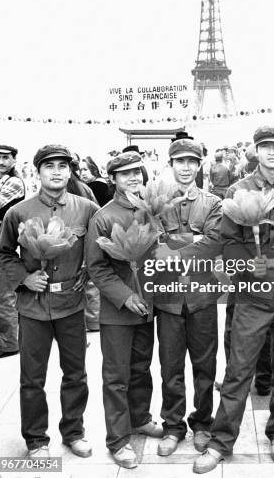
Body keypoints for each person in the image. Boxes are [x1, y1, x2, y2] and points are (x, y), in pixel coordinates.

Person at [193, 126, 274, 473]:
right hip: (251, 293)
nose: (272, 153)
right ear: (256, 150)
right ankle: (221, 442)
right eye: (265, 147)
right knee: (239, 369)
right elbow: (226, 240)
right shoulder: (238, 190)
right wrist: (246, 260)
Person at [0, 145, 98, 458]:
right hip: (32, 308)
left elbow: (98, 249)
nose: (56, 172)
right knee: (32, 378)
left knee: (76, 374)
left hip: (71, 305)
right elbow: (3, 253)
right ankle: (36, 439)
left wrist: (87, 274)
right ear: (37, 172)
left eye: (62, 166)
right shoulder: (19, 212)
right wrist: (23, 278)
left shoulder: (86, 208)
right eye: (49, 166)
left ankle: (73, 432)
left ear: (70, 171)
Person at [86, 151, 163, 469]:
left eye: (137, 173)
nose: (134, 178)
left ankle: (140, 418)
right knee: (116, 376)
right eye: (125, 174)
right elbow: (96, 267)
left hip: (148, 306)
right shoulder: (103, 217)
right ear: (113, 179)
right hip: (119, 311)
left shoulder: (150, 211)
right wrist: (124, 296)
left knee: (142, 368)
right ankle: (118, 439)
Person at [153, 138, 222, 457]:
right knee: (170, 366)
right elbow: (151, 243)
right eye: (179, 161)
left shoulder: (213, 202)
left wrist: (173, 245)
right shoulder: (156, 202)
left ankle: (203, 423)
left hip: (202, 297)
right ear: (171, 165)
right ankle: (172, 426)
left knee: (205, 365)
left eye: (191, 162)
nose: (185, 168)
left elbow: (213, 244)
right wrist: (191, 239)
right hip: (167, 298)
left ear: (199, 165)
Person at [0, 143, 25, 358]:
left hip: (2, 241)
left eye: (6, 157)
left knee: (2, 293)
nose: (1, 161)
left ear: (14, 159)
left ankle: (9, 343)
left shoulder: (14, 181)